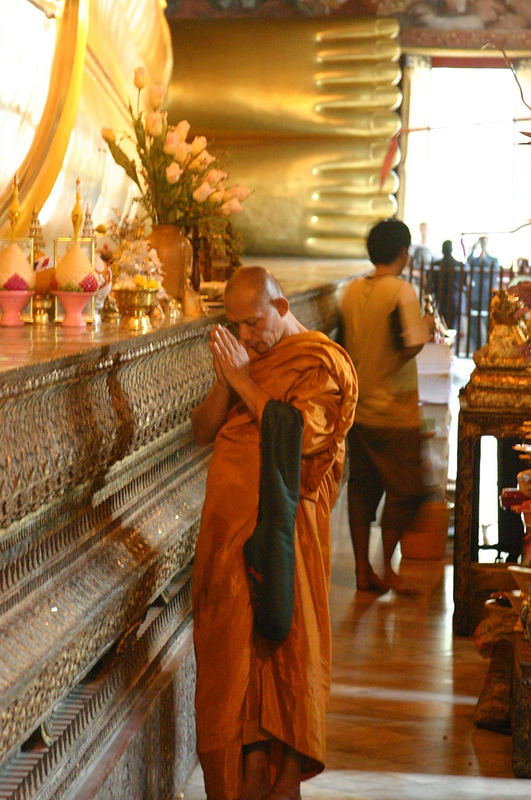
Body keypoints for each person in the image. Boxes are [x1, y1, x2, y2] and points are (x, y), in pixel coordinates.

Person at [191, 266, 357, 800]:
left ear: (281, 310)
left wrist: (243, 381)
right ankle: (249, 769)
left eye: (254, 322)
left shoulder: (319, 362)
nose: (245, 337)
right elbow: (202, 430)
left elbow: (303, 435)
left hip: (288, 535)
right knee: (233, 657)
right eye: (234, 325)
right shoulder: (246, 359)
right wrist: (227, 379)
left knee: (287, 649)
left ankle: (285, 778)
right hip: (228, 537)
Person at [340, 218, 432, 594]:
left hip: (359, 409)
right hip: (395, 411)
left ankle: (363, 570)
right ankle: (387, 564)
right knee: (407, 489)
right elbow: (410, 343)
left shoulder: (351, 290)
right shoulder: (401, 292)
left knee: (362, 491)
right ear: (403, 253)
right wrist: (425, 326)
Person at [466, 235, 500, 352]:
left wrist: (484, 253)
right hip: (476, 295)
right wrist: (473, 250)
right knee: (474, 323)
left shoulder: (493, 260)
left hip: (487, 295)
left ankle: (488, 346)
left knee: (488, 322)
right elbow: (467, 263)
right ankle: (476, 347)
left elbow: (494, 271)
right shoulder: (475, 260)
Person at [430, 239, 466, 330]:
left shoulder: (437, 265)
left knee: (441, 329)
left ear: (442, 250)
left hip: (441, 300)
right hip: (455, 301)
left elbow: (431, 284)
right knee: (452, 330)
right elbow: (464, 284)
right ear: (452, 250)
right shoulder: (459, 265)